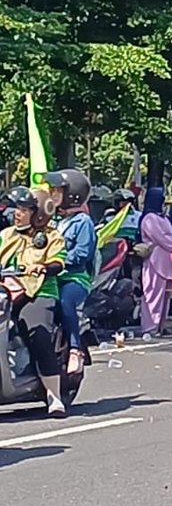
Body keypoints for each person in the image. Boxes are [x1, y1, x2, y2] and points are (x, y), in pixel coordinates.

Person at [0, 187, 69, 416]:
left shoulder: (51, 236)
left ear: (37, 213)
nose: (17, 214)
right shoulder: (7, 235)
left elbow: (58, 262)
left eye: (23, 209)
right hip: (7, 292)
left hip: (38, 293)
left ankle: (54, 395)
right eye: (16, 209)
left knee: (37, 333)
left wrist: (43, 267)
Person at [44, 168, 95, 374]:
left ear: (71, 196)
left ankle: (75, 349)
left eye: (57, 191)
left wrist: (60, 261)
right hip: (50, 276)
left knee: (65, 301)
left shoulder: (83, 222)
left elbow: (83, 253)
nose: (52, 194)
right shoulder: (51, 220)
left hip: (74, 278)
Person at [136, 187, 172, 337]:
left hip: (167, 261)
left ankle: (161, 325)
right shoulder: (149, 219)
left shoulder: (161, 217)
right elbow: (161, 238)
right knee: (153, 294)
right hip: (155, 261)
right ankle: (150, 327)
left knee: (166, 295)